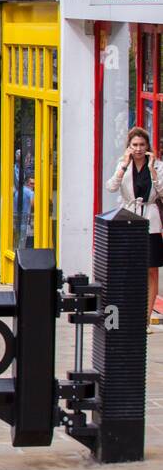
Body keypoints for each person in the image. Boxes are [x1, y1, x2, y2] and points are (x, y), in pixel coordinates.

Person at [107, 126, 163, 328]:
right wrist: (122, 167)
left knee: (151, 270)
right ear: (129, 147)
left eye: (142, 145)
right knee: (128, 269)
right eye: (135, 145)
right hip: (128, 220)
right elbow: (111, 187)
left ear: (148, 146)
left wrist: (154, 174)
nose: (138, 149)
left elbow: (162, 192)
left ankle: (145, 320)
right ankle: (130, 312)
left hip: (151, 222)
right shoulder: (124, 164)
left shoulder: (156, 165)